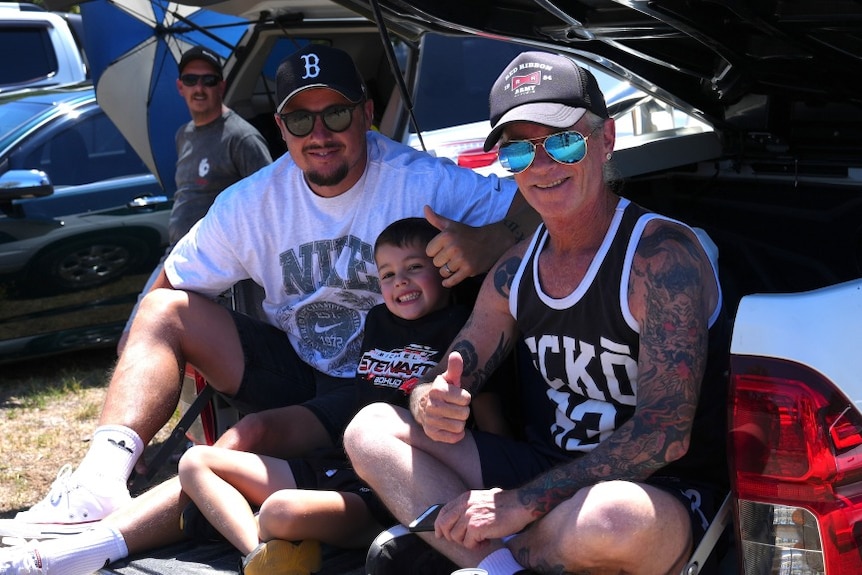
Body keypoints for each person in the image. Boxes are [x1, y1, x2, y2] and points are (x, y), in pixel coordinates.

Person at [0, 44, 533, 574]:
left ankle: (90, 548)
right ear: (281, 126)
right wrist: (141, 355)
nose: (319, 134)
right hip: (298, 371)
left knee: (250, 466)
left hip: (392, 384)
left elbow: (536, 203)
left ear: (367, 114)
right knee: (164, 314)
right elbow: (167, 284)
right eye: (301, 119)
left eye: (337, 113)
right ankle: (99, 485)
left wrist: (489, 241)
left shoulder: (422, 181)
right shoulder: (253, 201)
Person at [344, 50, 730, 575]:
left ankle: (478, 552)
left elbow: (665, 433)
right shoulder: (515, 268)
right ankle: (500, 564)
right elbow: (456, 364)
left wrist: (519, 505)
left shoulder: (659, 256)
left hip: (656, 491)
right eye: (520, 153)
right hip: (543, 473)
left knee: (613, 517)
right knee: (369, 428)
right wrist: (430, 396)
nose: (542, 167)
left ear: (605, 140)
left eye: (563, 142)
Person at [177, 217, 507, 574]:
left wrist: (496, 498)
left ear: (446, 271)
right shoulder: (379, 321)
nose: (401, 281)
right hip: (339, 464)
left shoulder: (466, 330)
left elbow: (492, 430)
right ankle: (259, 553)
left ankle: (259, 530)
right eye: (387, 274)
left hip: (390, 490)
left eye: (414, 267)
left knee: (279, 511)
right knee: (196, 462)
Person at [119, 45, 273, 351]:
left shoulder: (242, 137)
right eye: (191, 80)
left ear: (222, 86)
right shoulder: (184, 134)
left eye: (208, 80)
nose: (199, 88)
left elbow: (270, 203)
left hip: (215, 264)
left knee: (151, 340)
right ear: (180, 87)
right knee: (133, 339)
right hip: (176, 255)